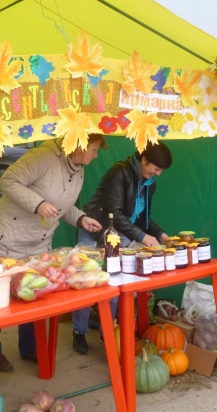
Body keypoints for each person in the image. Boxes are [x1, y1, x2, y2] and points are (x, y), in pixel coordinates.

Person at [0, 135, 106, 372]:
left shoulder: (77, 168)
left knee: (32, 293)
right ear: (80, 144)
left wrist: (81, 218)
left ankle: (29, 347)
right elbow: (8, 181)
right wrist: (37, 204)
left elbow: (62, 207)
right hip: (8, 239)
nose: (95, 155)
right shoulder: (44, 156)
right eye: (95, 149)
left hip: (38, 244)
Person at [71, 142, 172, 354]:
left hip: (122, 237)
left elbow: (143, 218)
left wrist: (162, 235)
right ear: (143, 160)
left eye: (161, 171)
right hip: (96, 230)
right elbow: (114, 214)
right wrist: (143, 237)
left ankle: (107, 333)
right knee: (85, 283)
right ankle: (79, 333)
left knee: (115, 286)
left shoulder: (149, 182)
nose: (158, 174)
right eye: (156, 168)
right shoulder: (120, 172)